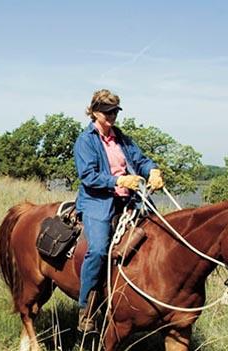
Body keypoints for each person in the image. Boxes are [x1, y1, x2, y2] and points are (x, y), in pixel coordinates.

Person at [74, 89, 164, 332]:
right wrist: (118, 181)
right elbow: (88, 176)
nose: (112, 116)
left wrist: (152, 171)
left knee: (161, 235)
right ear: (94, 112)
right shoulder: (86, 140)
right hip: (97, 201)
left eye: (115, 112)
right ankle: (86, 309)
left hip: (129, 200)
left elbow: (141, 160)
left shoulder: (121, 137)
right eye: (107, 112)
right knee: (99, 250)